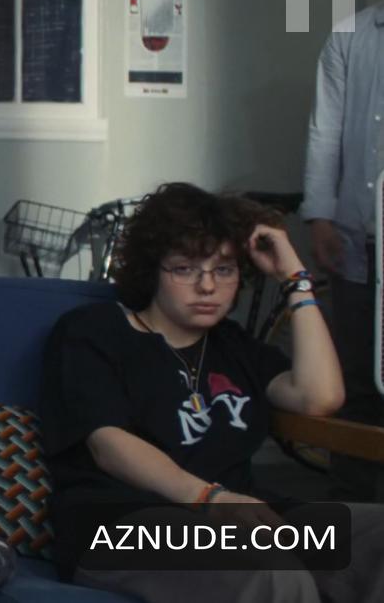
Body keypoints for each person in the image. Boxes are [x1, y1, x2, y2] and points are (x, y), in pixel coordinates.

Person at [39, 183, 384, 602]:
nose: (207, 286)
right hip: (124, 525)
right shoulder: (95, 330)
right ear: (152, 270)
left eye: (223, 270)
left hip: (239, 515)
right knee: (271, 572)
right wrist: (209, 498)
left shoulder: (233, 345)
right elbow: (108, 444)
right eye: (185, 269)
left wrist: (295, 280)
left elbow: (320, 397)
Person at [303, 2, 384, 501]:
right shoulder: (351, 35)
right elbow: (325, 130)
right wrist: (320, 216)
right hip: (360, 239)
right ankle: (355, 508)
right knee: (355, 379)